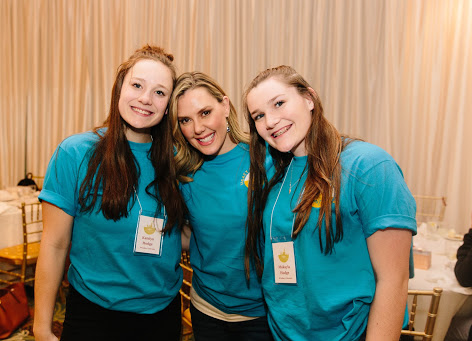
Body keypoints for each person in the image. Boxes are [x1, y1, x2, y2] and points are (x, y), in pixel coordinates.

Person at [243, 65, 417, 341]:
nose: (271, 121)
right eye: (259, 116)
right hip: (284, 331)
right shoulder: (274, 171)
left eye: (279, 103)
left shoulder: (368, 167)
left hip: (351, 333)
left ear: (309, 98)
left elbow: (394, 281)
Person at [33, 45, 186, 341]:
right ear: (119, 89)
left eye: (159, 92)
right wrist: (41, 326)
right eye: (137, 85)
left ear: (168, 106)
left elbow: (184, 233)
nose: (145, 98)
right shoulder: (76, 153)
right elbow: (54, 244)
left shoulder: (179, 160)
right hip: (93, 315)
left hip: (162, 315)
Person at [168, 71, 274, 341]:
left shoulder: (264, 160)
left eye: (205, 113)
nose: (197, 128)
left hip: (260, 313)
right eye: (185, 120)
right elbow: (192, 235)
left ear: (225, 106)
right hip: (206, 309)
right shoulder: (184, 172)